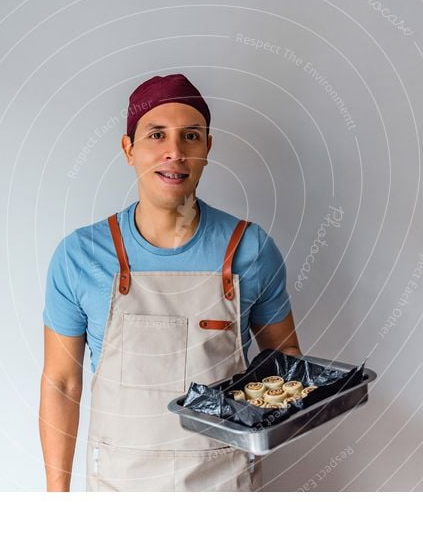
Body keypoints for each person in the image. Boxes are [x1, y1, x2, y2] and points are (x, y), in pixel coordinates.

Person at [40, 73, 301, 492]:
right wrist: (58, 499)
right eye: (156, 135)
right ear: (129, 149)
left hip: (222, 486)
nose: (174, 152)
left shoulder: (249, 248)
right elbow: (61, 382)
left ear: (207, 148)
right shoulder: (80, 255)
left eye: (191, 136)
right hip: (119, 488)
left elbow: (285, 358)